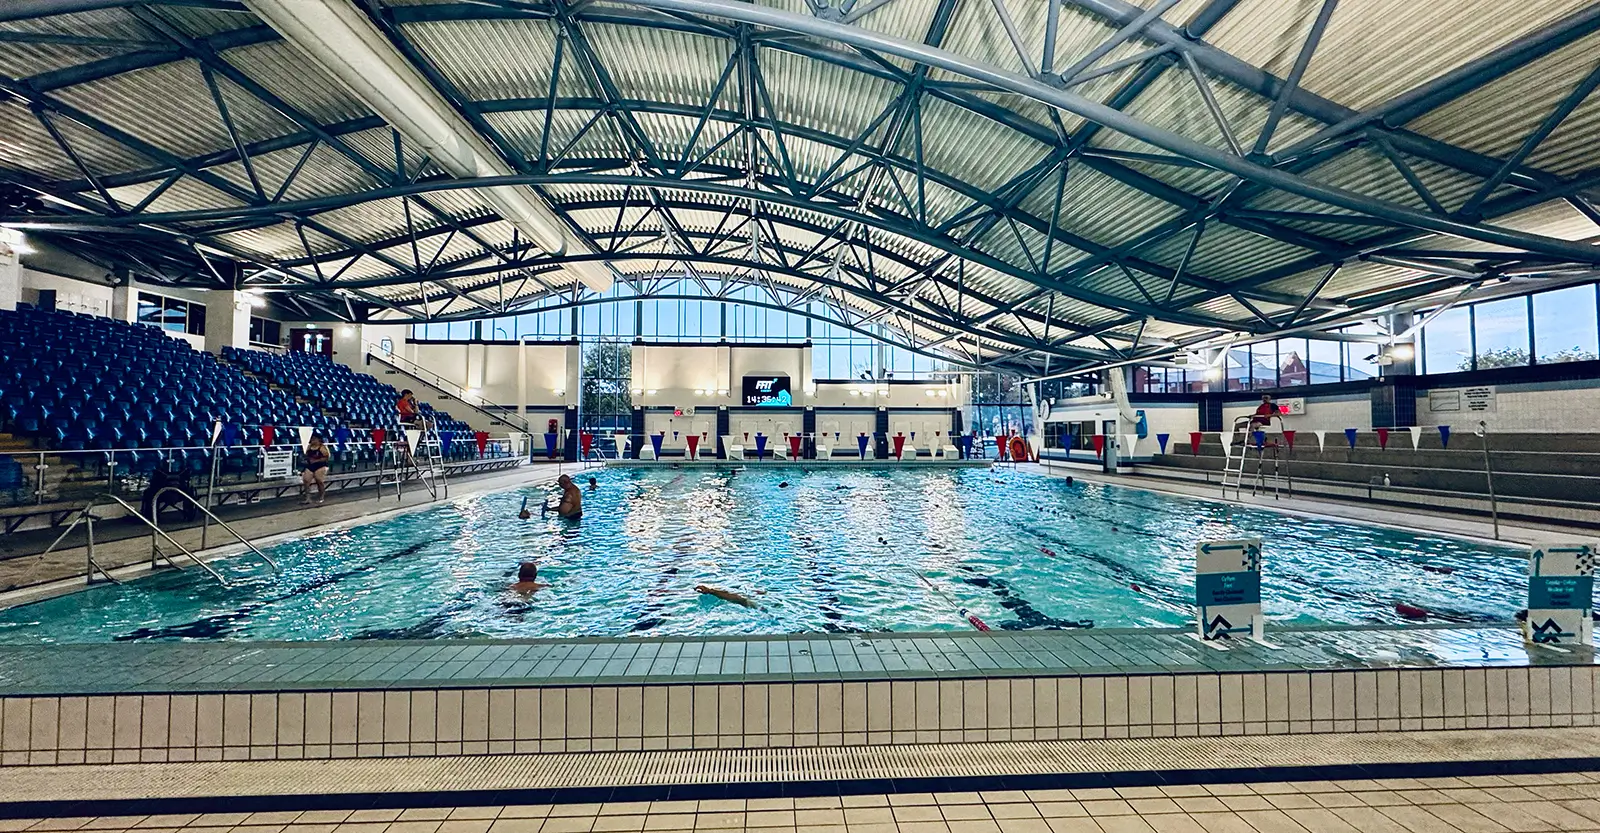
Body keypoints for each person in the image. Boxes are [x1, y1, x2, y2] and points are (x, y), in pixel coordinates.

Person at [300, 434, 331, 505]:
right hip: (310, 466)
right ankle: (308, 498)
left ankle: (321, 497)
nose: (313, 440)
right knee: (306, 480)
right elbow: (306, 456)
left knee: (319, 480)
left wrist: (316, 460)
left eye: (314, 439)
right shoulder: (309, 447)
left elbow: (326, 457)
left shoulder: (322, 447)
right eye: (312, 439)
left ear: (319, 440)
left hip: (321, 466)